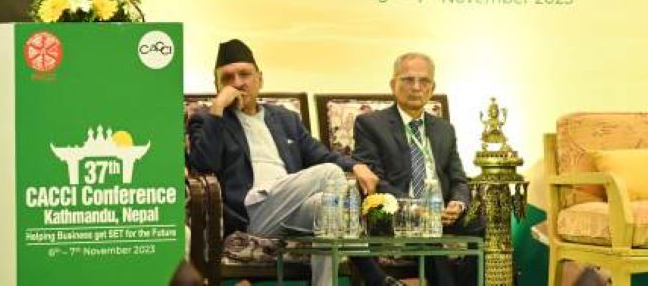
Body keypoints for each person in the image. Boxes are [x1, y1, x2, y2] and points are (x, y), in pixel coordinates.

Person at [187, 39, 403, 286]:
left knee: (327, 208)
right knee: (330, 174)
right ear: (217, 85)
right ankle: (374, 276)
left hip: (291, 206)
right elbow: (204, 165)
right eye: (227, 78)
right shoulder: (207, 120)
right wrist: (217, 108)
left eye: (244, 74)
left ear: (260, 79)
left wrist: (355, 166)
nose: (237, 82)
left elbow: (321, 154)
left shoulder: (285, 119)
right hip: (251, 212)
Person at [353, 52, 483, 286]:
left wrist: (458, 203)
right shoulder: (370, 124)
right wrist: (418, 207)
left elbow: (458, 178)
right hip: (398, 211)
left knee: (487, 225)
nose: (416, 87)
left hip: (443, 211)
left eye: (424, 81)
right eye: (408, 80)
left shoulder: (444, 129)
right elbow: (375, 180)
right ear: (393, 85)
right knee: (426, 232)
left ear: (432, 88)